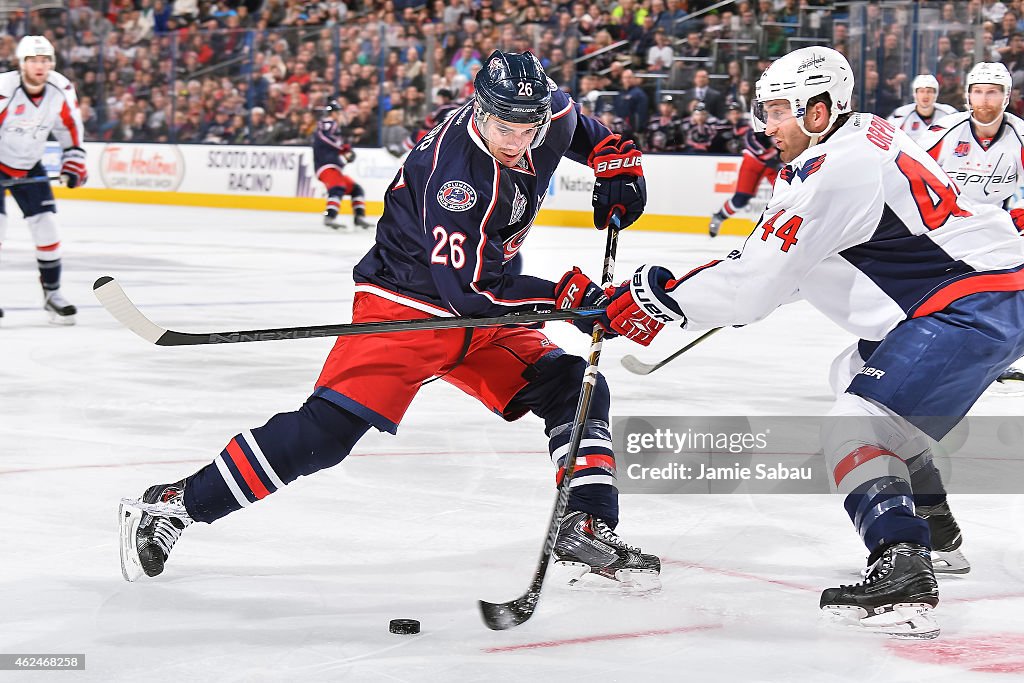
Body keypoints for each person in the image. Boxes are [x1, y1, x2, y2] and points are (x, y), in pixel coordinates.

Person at [118, 50, 659, 592]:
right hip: (410, 306)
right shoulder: (458, 181)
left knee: (573, 385)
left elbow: (581, 128)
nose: (516, 141)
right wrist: (571, 299)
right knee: (322, 438)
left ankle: (585, 521)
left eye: (527, 127)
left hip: (483, 301)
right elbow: (468, 294)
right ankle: (172, 505)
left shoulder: (545, 115)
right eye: (503, 126)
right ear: (480, 108)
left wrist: (615, 157)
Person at [600, 46, 1024, 638]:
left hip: (970, 303)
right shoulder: (867, 135)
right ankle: (937, 530)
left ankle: (901, 560)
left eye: (776, 111)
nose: (764, 125)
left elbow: (754, 287)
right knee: (851, 374)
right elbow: (810, 260)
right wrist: (720, 285)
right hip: (985, 286)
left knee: (855, 425)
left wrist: (661, 296)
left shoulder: (831, 172)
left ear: (819, 110)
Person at [919, 61, 1024, 388]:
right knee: (931, 295)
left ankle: (992, 358)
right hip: (944, 226)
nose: (984, 100)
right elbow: (909, 172)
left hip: (995, 225)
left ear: (1006, 97)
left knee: (1001, 295)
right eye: (977, 92)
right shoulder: (945, 131)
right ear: (967, 96)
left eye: (992, 92)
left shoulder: (1020, 135)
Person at [0, 35, 87, 325]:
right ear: (21, 63)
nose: (40, 66)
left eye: (45, 60)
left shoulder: (60, 88)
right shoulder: (4, 89)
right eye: (33, 60)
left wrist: (74, 159)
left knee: (47, 228)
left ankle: (52, 294)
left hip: (30, 164)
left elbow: (70, 127)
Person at [707, 115, 780, 237]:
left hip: (773, 162)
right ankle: (719, 217)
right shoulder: (756, 125)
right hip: (754, 161)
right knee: (741, 199)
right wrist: (767, 154)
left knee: (786, 192)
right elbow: (750, 141)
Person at [314, 99, 371, 230]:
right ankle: (330, 216)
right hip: (326, 166)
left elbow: (333, 141)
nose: (339, 115)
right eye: (338, 112)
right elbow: (325, 138)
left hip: (333, 167)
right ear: (334, 113)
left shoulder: (333, 126)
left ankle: (359, 217)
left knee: (356, 189)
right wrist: (344, 148)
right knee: (337, 188)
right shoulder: (328, 123)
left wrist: (344, 151)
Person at [886, 74, 959, 143]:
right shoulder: (900, 115)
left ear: (935, 94)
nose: (925, 95)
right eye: (921, 91)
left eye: (929, 91)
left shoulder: (949, 114)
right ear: (915, 94)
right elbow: (889, 140)